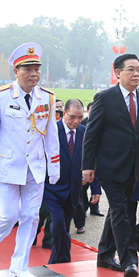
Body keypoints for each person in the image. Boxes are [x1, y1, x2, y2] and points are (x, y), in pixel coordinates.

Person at [82, 54, 139, 277]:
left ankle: (104, 255)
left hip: (136, 168)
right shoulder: (104, 98)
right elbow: (91, 136)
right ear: (117, 72)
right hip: (110, 167)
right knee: (123, 212)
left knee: (117, 211)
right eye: (131, 69)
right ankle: (129, 259)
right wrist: (87, 166)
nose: (136, 74)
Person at [0, 42, 60, 277]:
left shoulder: (47, 97)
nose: (34, 74)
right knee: (10, 214)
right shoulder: (1, 96)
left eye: (37, 69)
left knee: (31, 216)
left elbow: (51, 134)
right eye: (28, 69)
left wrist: (54, 166)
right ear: (16, 71)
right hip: (7, 166)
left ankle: (19, 265)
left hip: (35, 167)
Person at [44, 99, 101, 263]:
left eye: (80, 117)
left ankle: (57, 261)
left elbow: (91, 161)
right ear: (64, 113)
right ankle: (63, 260)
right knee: (58, 224)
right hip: (52, 188)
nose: (76, 121)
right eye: (72, 117)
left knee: (65, 226)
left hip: (74, 190)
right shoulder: (51, 131)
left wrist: (95, 188)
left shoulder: (84, 132)